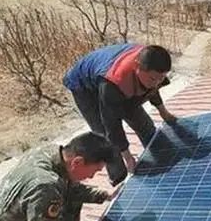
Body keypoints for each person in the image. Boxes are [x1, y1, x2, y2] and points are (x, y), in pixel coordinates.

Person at [63, 43, 177, 185]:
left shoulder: (153, 60)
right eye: (153, 79)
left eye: (161, 78)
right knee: (104, 137)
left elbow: (152, 91)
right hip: (84, 85)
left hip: (111, 71)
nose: (156, 83)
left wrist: (164, 113)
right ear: (138, 67)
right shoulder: (113, 83)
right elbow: (112, 125)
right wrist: (128, 157)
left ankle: (160, 153)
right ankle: (118, 176)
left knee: (143, 122)